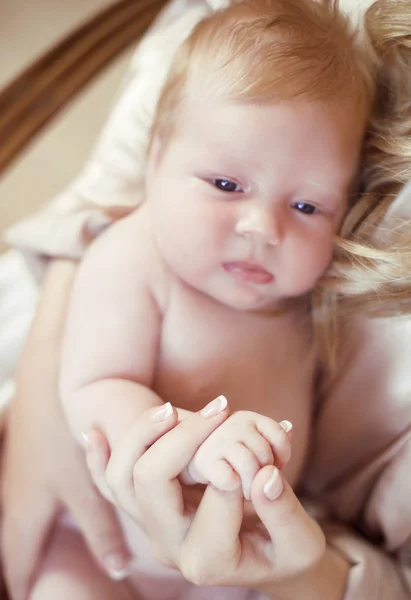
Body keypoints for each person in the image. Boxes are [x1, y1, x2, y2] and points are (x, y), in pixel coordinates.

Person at [2, 0, 411, 599]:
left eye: (307, 207)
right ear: (156, 158)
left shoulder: (303, 307)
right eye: (226, 185)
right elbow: (95, 388)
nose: (263, 228)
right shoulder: (132, 254)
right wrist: (193, 451)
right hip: (95, 541)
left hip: (229, 557)